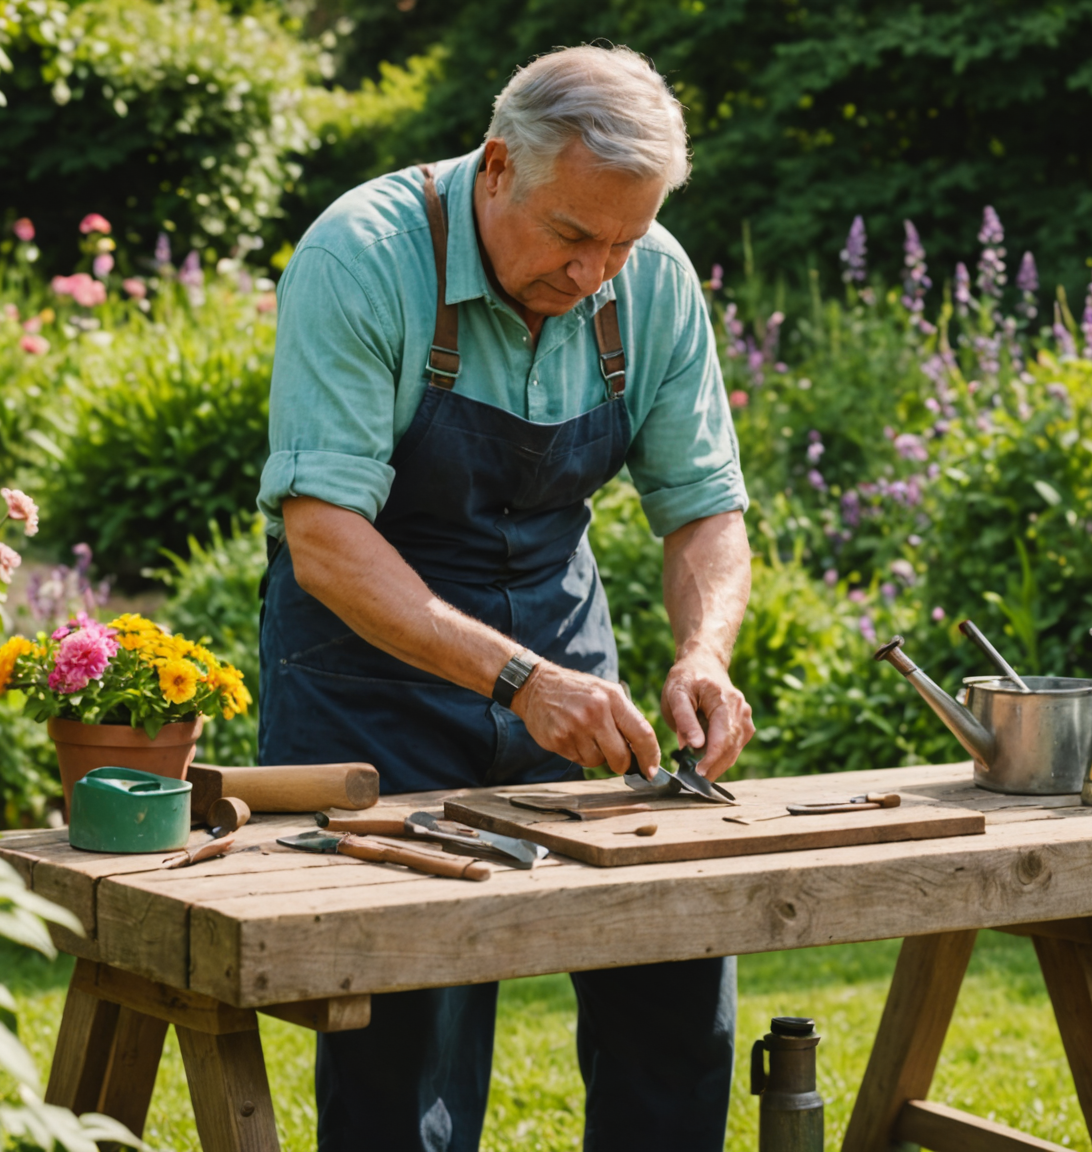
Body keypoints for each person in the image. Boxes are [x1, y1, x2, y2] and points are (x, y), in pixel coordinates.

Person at [257, 43, 755, 1152]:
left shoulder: (653, 278)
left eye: (622, 243)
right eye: (573, 234)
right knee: (404, 1044)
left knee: (671, 963)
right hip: (369, 683)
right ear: (496, 167)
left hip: (562, 657)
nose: (594, 274)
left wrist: (703, 653)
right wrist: (520, 680)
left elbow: (705, 510)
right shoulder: (360, 258)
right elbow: (324, 540)